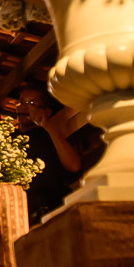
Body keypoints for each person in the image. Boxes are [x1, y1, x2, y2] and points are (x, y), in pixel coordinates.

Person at [18, 86, 83, 223]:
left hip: (52, 209)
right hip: (22, 214)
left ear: (46, 111)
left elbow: (74, 166)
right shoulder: (10, 140)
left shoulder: (49, 136)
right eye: (22, 102)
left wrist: (47, 126)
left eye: (32, 103)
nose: (24, 107)